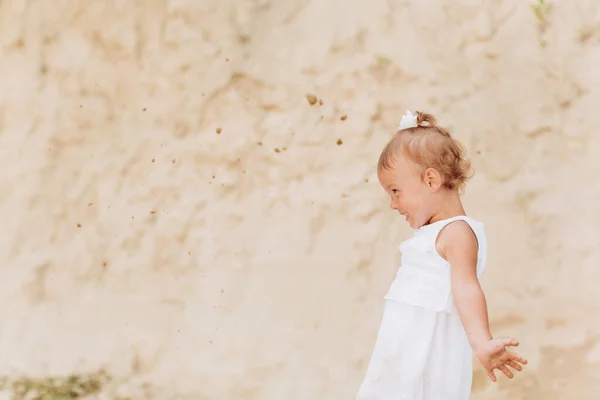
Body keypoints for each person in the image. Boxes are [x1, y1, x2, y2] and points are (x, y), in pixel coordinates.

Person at [355, 111, 528, 400]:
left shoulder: (456, 233)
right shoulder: (431, 232)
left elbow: (466, 287)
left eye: (396, 191)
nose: (393, 204)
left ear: (431, 180)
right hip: (401, 349)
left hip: (428, 350)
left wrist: (482, 341)